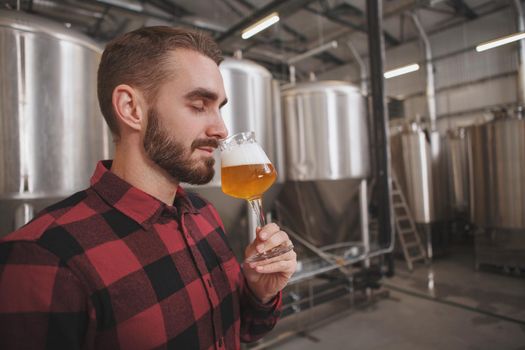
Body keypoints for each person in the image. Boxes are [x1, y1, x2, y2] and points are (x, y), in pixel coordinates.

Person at [0, 26, 297, 349]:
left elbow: (238, 332)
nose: (222, 130)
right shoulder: (44, 256)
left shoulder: (204, 215)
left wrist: (259, 292)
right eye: (199, 105)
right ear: (131, 109)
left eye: (219, 108)